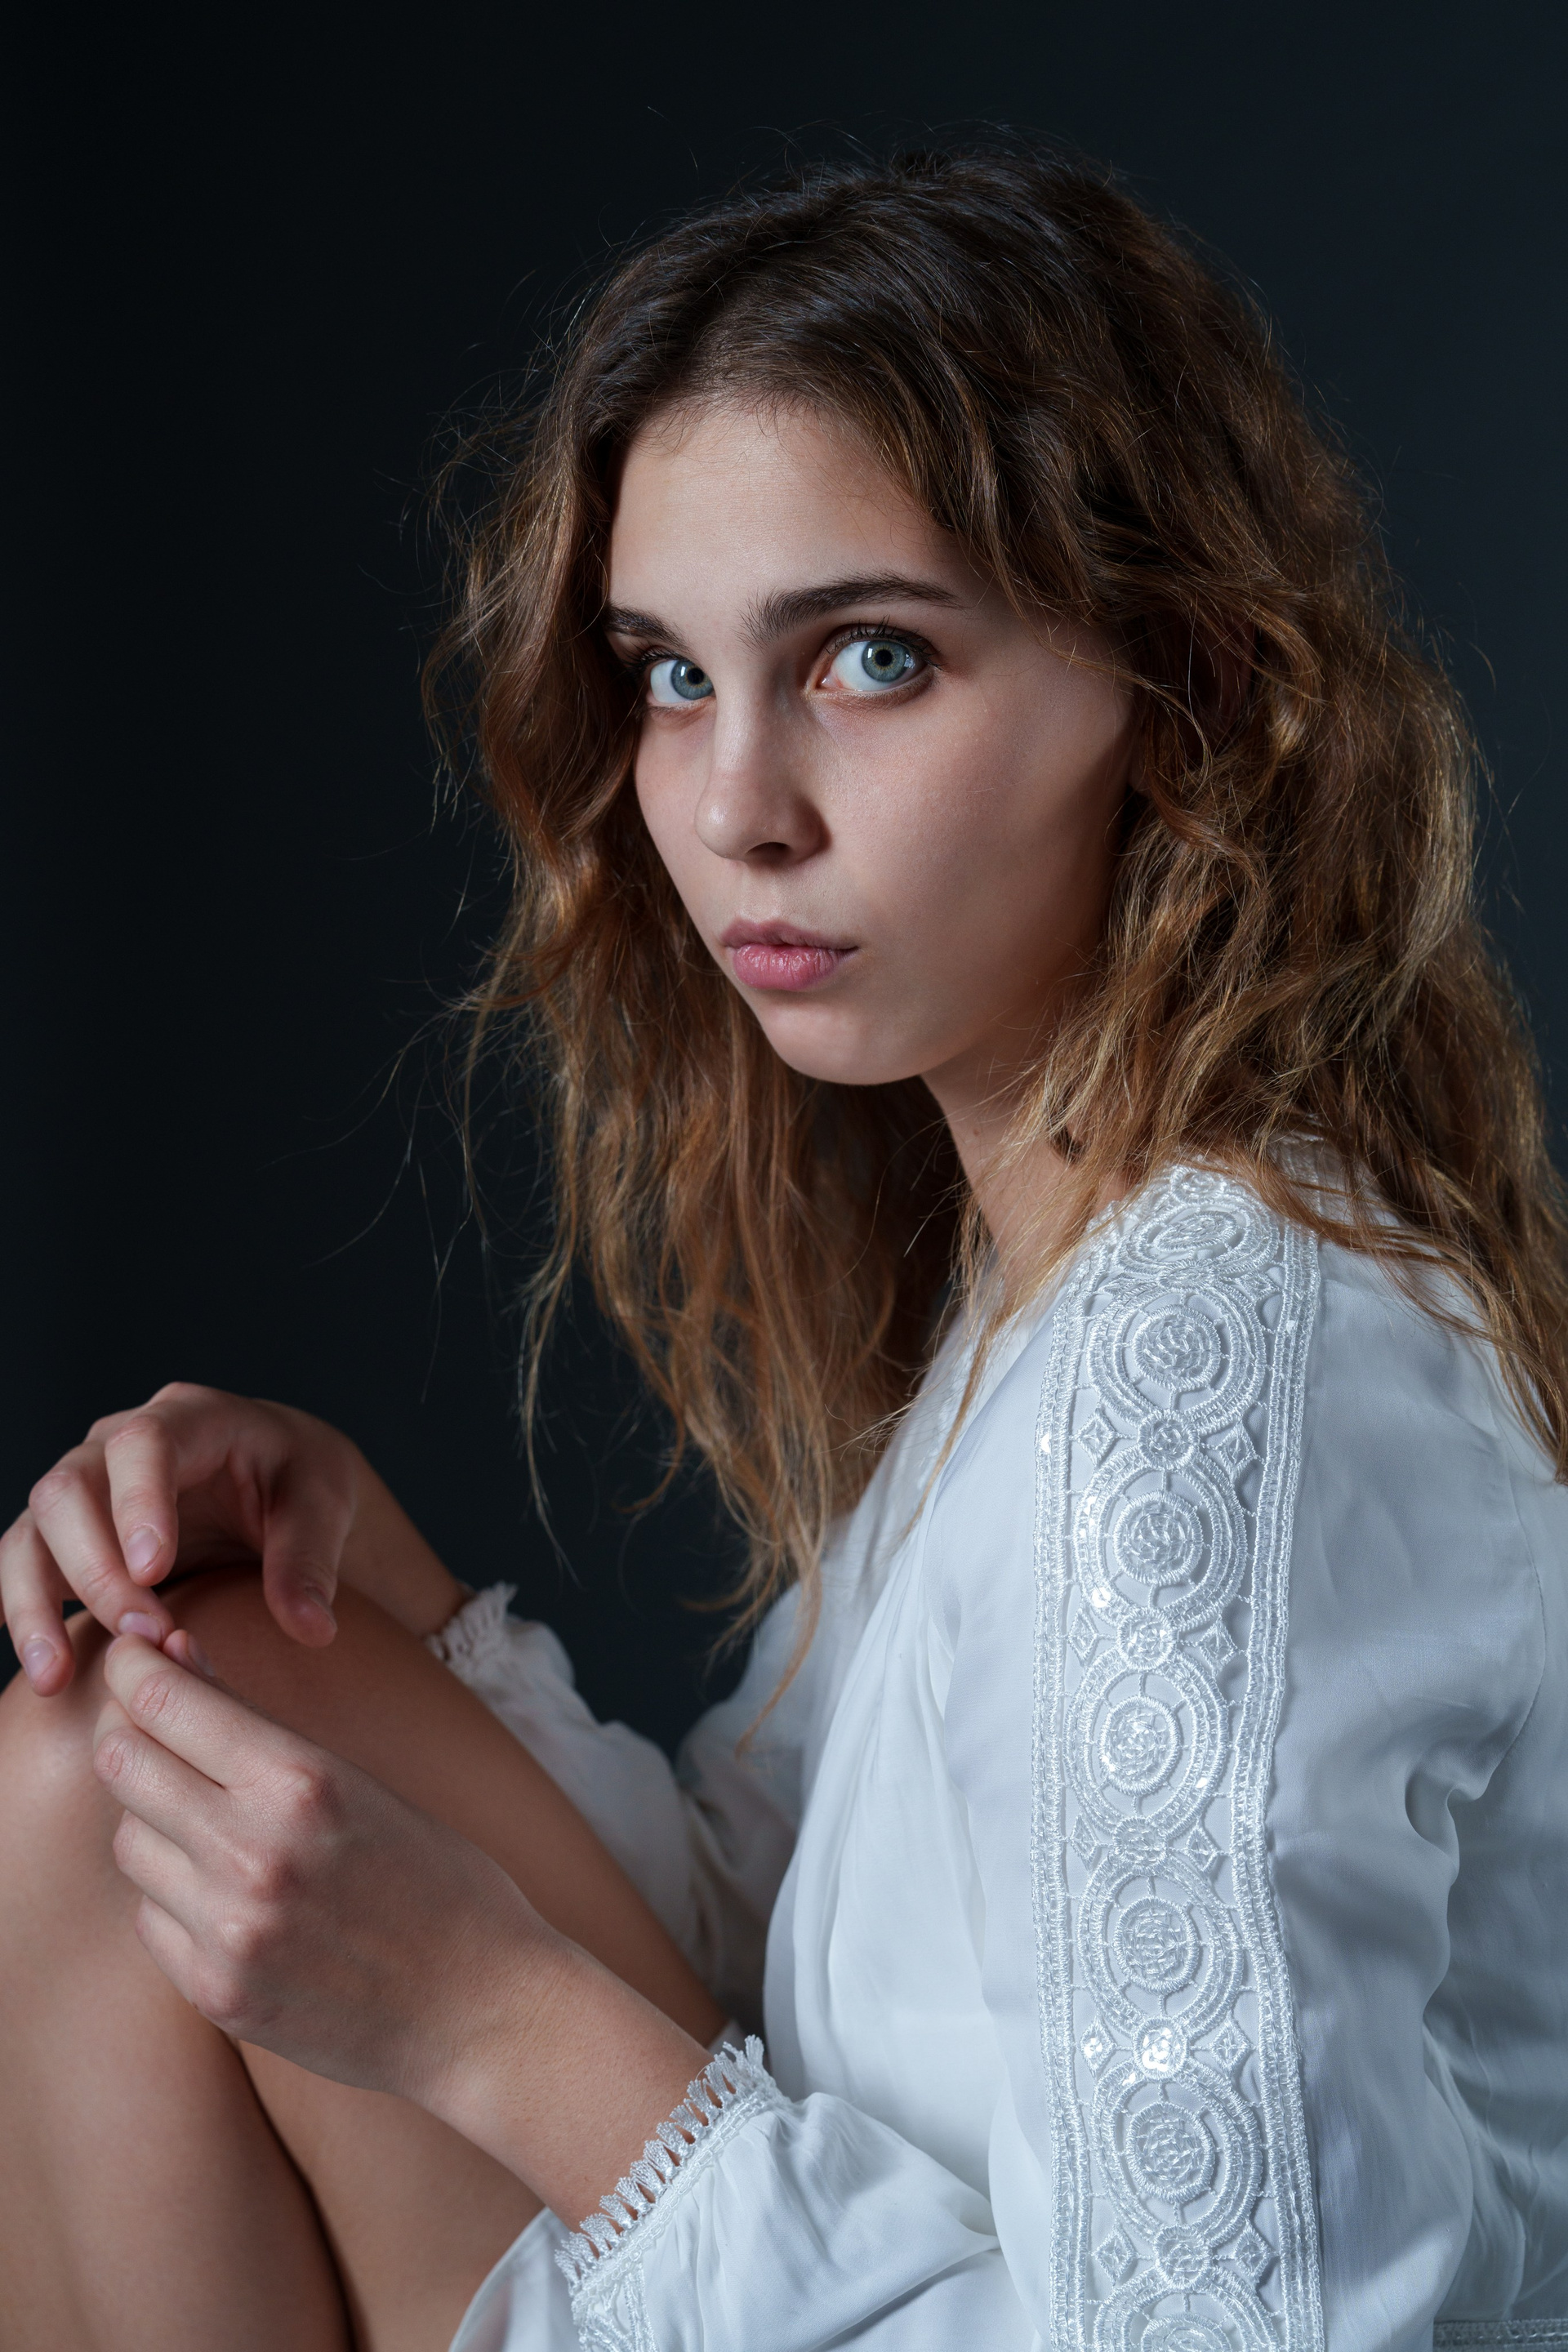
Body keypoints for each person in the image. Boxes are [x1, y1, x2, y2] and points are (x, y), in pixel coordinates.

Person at [0, 146, 1563, 2352]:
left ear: (1188, 681)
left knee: (107, 1764)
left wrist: (492, 2023)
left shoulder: (1206, 1363)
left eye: (868, 658)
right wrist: (393, 1600)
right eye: (667, 675)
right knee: (123, 1723)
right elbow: (800, 1963)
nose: (735, 806)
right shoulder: (1060, 1293)